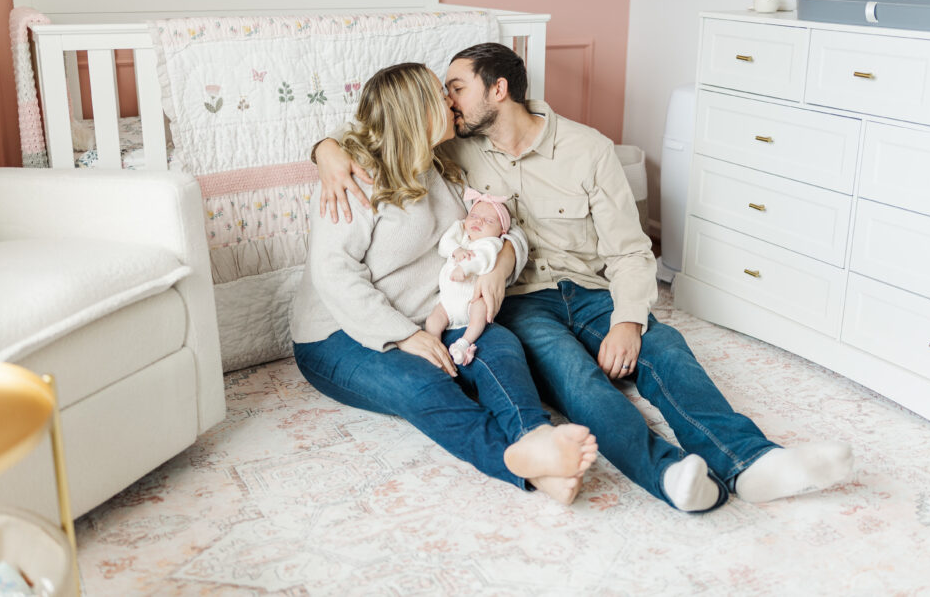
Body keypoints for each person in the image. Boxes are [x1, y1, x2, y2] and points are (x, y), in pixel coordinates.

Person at [312, 44, 854, 513]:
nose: (449, 102)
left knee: (665, 347)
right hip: (522, 300)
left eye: (456, 89)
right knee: (576, 379)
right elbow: (385, 127)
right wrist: (326, 152)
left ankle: (752, 462)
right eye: (443, 94)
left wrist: (629, 320)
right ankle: (667, 474)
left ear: (498, 90)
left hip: (589, 288)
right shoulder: (451, 147)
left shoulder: (585, 149)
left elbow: (627, 249)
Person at [290, 62, 598, 505]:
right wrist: (404, 335)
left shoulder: (443, 166)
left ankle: (535, 438)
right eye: (441, 95)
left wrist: (500, 264)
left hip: (431, 315)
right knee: (424, 383)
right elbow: (333, 273)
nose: (452, 101)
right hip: (336, 333)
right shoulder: (356, 178)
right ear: (416, 112)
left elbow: (499, 227)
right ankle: (515, 463)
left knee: (500, 345)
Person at [426, 190, 512, 365]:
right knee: (432, 321)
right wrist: (456, 250)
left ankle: (464, 343)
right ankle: (434, 347)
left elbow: (482, 260)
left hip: (471, 301)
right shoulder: (461, 234)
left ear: (501, 231)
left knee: (481, 311)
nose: (478, 221)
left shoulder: (492, 243)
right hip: (447, 303)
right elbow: (444, 244)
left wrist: (465, 269)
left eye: (489, 221)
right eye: (474, 216)